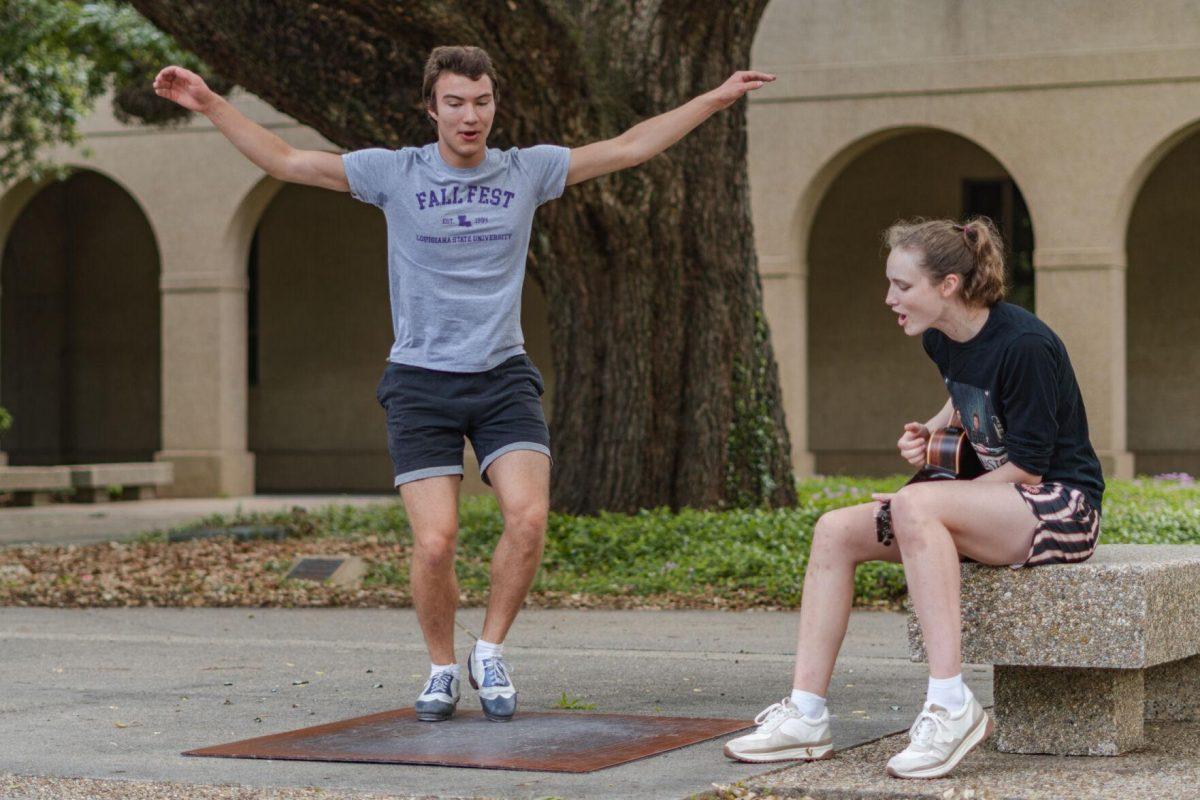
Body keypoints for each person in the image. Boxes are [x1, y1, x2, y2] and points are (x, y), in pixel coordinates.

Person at [154, 46, 775, 723]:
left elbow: (627, 147)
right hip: (421, 381)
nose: (469, 115)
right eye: (455, 103)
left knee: (529, 517)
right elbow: (288, 162)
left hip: (502, 375)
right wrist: (211, 102)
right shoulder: (394, 172)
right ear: (432, 108)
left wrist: (714, 99)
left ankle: (490, 649)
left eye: (480, 102)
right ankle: (442, 668)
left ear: (494, 106)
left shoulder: (527, 170)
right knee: (436, 542)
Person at [723, 217, 1104, 779]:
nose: (889, 298)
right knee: (835, 528)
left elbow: (1027, 466)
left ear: (948, 284)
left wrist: (930, 503)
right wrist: (932, 431)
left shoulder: (1025, 344)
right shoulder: (941, 339)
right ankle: (805, 715)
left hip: (1060, 507)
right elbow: (967, 398)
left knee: (914, 504)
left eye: (902, 286)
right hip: (993, 507)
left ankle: (952, 703)